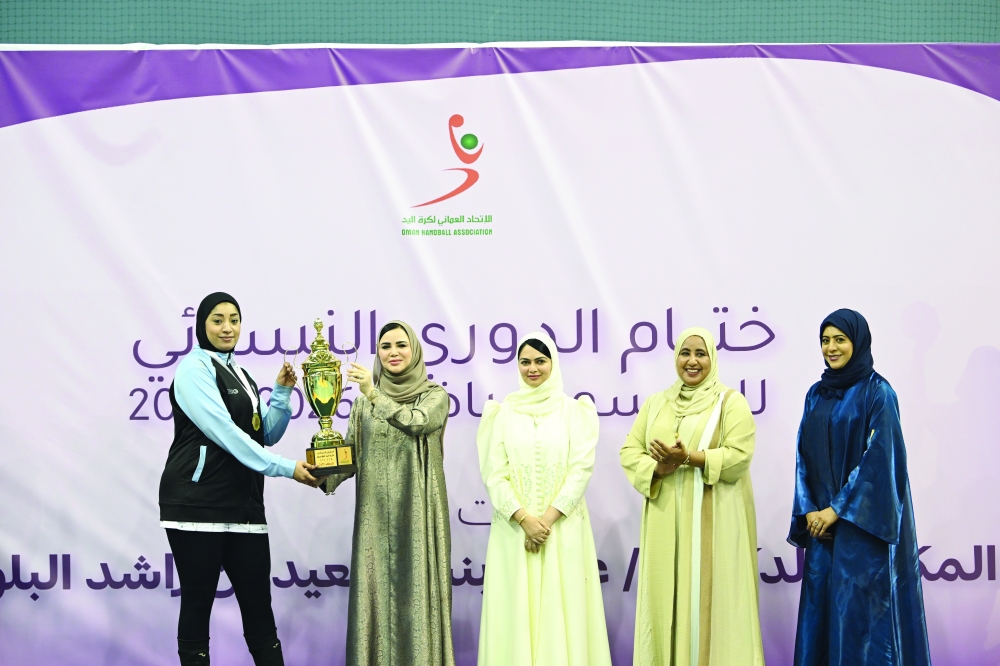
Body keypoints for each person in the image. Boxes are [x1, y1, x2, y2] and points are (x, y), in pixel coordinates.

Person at [158, 292, 320, 666]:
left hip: (244, 507)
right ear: (202, 325)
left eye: (234, 319)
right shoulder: (193, 369)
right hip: (196, 505)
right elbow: (226, 434)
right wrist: (286, 468)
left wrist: (280, 393)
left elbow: (262, 434)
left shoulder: (241, 373)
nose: (227, 327)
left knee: (259, 608)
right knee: (198, 604)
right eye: (217, 319)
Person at [789, 309, 931, 665]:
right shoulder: (815, 394)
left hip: (861, 530)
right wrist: (809, 510)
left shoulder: (879, 393)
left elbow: (880, 462)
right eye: (825, 340)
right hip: (821, 529)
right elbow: (803, 456)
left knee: (862, 629)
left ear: (858, 341)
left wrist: (836, 510)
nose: (831, 348)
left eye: (840, 340)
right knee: (822, 620)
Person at [620, 327, 764, 666]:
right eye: (686, 353)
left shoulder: (729, 402)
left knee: (712, 603)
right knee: (663, 604)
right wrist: (657, 469)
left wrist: (689, 458)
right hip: (665, 519)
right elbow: (630, 451)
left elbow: (739, 455)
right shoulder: (657, 403)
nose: (692, 361)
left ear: (712, 358)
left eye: (700, 354)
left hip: (713, 523)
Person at [321, 320, 455, 666]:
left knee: (418, 597)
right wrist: (319, 474)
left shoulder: (435, 396)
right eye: (385, 347)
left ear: (415, 351)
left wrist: (372, 392)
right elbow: (350, 456)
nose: (393, 353)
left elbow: (417, 422)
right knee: (375, 599)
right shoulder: (364, 405)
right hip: (374, 521)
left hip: (419, 516)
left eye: (400, 345)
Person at [476, 333, 612, 666]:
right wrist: (524, 518)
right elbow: (494, 474)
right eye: (525, 362)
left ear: (553, 363)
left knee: (563, 610)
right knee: (515, 613)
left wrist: (545, 521)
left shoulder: (573, 411)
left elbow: (580, 469)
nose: (532, 369)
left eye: (540, 361)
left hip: (561, 530)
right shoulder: (502, 413)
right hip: (514, 532)